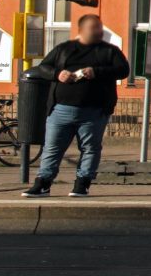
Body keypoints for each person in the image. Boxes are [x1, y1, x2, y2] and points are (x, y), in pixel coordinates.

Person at [22, 14, 130, 198]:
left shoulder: (109, 51)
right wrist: (58, 74)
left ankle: (82, 184)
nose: (98, 31)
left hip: (94, 110)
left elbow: (123, 70)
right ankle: (43, 183)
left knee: (90, 148)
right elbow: (43, 67)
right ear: (81, 30)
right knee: (52, 148)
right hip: (60, 109)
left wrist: (96, 72)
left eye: (99, 27)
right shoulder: (64, 49)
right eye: (93, 28)